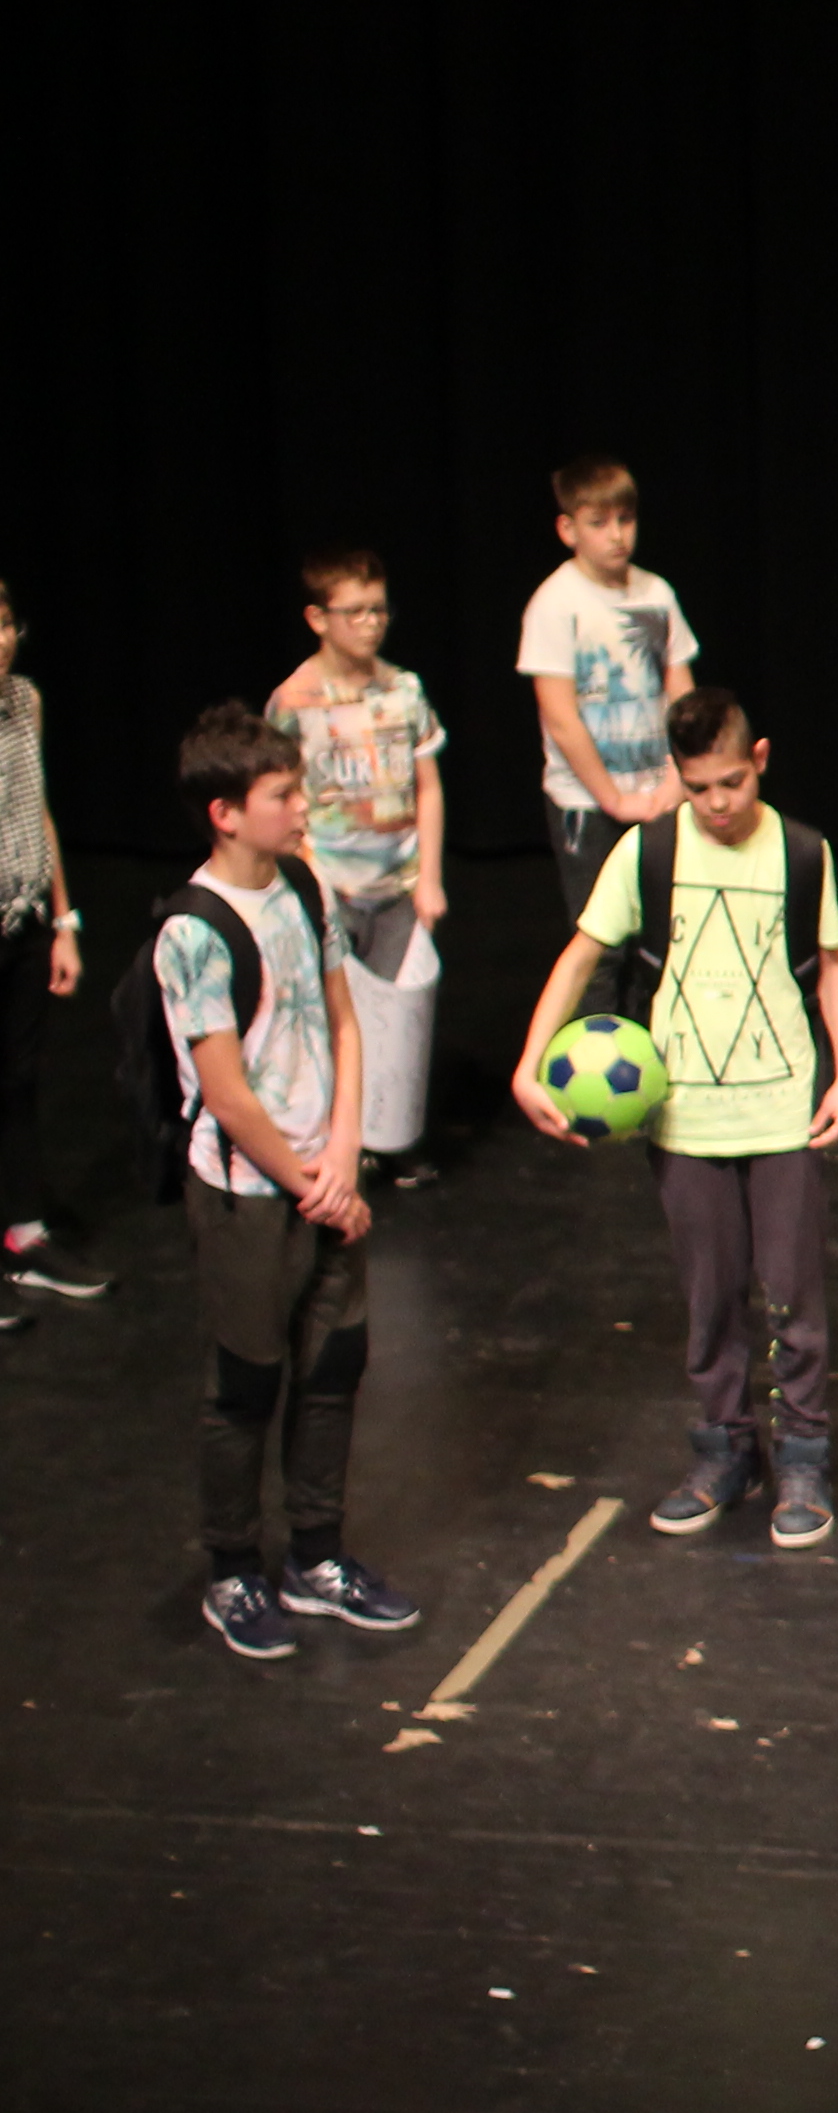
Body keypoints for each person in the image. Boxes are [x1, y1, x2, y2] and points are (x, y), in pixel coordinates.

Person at [510, 688, 838, 1549]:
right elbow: (583, 953)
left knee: (793, 1296)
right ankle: (725, 1449)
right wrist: (530, 1061)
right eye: (699, 787)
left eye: (733, 782)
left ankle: (804, 1455)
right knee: (711, 1297)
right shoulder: (649, 851)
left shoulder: (801, 852)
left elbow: (831, 964)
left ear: (760, 760)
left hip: (779, 1110)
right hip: (686, 1117)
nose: (718, 803)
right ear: (678, 776)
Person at [156, 706, 418, 1659]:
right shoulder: (194, 930)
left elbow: (345, 1021)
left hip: (326, 1176)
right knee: (246, 1383)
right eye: (281, 795)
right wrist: (311, 1181)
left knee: (333, 1365)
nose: (302, 807)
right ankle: (233, 1569)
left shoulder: (305, 886)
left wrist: (346, 1153)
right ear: (225, 813)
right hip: (249, 1194)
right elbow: (226, 1093)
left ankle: (317, 1555)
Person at [269, 547, 450, 1189]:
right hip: (330, 887)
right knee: (335, 1018)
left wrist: (429, 877)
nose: (372, 624)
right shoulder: (294, 700)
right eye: (356, 612)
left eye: (379, 610)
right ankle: (343, 1140)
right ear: (318, 618)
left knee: (397, 1016)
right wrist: (307, 874)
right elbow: (280, 797)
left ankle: (395, 1134)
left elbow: (427, 786)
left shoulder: (403, 690)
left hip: (395, 886)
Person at [515, 455, 699, 920]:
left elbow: (682, 694)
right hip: (588, 804)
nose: (616, 535)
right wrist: (612, 799)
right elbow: (561, 718)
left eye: (625, 519)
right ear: (568, 529)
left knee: (665, 925)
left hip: (660, 794)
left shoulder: (656, 594)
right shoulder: (555, 604)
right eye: (598, 523)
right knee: (604, 933)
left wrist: (678, 777)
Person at [0, 577, 109, 1309]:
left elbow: (37, 811)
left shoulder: (24, 700)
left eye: (6, 623)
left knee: (17, 1079)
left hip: (26, 919)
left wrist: (63, 921)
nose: (1, 640)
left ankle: (24, 1234)